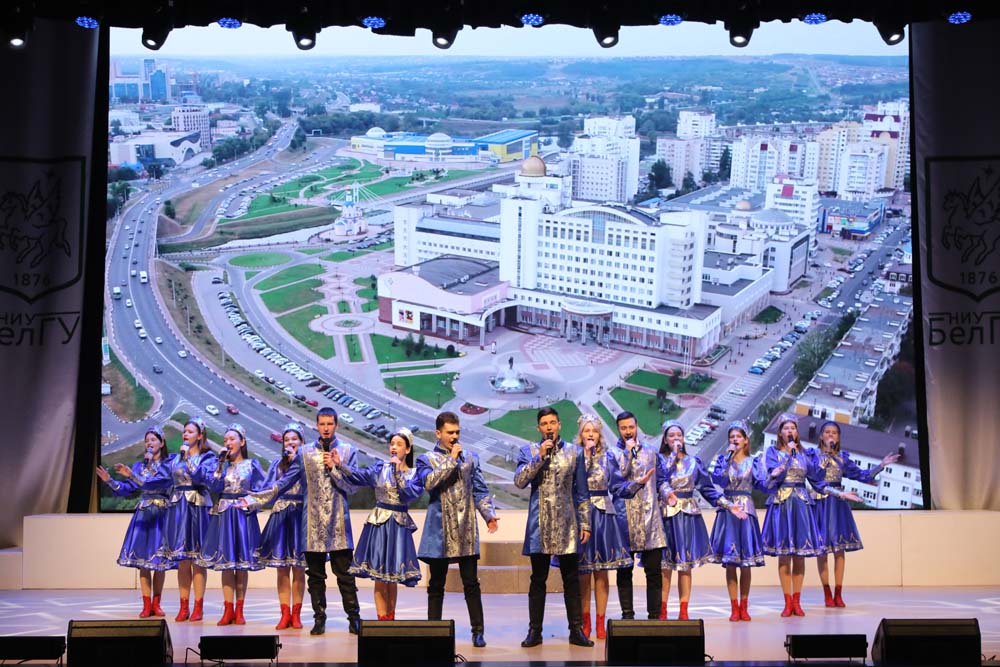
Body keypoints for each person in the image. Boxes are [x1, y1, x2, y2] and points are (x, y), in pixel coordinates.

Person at [243, 407, 362, 635]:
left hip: (338, 522)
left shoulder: (347, 451)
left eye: (330, 424)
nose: (326, 428)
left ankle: (354, 618)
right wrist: (255, 499)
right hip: (312, 523)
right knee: (315, 576)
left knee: (345, 574)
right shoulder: (305, 453)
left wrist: (336, 467)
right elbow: (284, 482)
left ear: (336, 425)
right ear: (316, 426)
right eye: (322, 424)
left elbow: (353, 487)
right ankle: (319, 619)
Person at [762, 415, 861, 617]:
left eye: (793, 428)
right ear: (780, 432)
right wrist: (784, 462)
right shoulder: (773, 452)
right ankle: (787, 602)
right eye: (786, 428)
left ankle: (797, 602)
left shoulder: (804, 454)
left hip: (801, 505)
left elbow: (818, 483)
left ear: (797, 433)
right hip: (782, 504)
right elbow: (768, 481)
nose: (790, 431)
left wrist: (840, 494)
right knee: (784, 555)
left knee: (800, 555)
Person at [416, 411, 498, 648]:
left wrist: (488, 515)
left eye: (457, 432)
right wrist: (451, 460)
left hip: (465, 529)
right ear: (438, 433)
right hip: (439, 532)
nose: (454, 437)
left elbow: (480, 490)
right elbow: (429, 483)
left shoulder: (470, 458)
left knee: (471, 583)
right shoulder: (426, 459)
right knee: (436, 585)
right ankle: (434, 632)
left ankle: (478, 631)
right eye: (449, 432)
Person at [514, 406, 592, 648]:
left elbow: (582, 491)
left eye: (552, 422)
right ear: (539, 428)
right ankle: (534, 631)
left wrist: (585, 523)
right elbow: (519, 481)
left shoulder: (575, 452)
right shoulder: (528, 451)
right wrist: (539, 457)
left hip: (567, 523)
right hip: (539, 524)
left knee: (571, 578)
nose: (549, 427)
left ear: (559, 425)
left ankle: (576, 630)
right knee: (538, 579)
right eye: (544, 423)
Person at [811, 420, 900, 608]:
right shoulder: (813, 456)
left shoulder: (842, 458)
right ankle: (827, 592)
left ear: (838, 437)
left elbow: (862, 475)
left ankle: (838, 593)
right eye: (827, 432)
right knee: (822, 551)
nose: (831, 435)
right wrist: (826, 456)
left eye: (834, 433)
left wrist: (881, 465)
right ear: (821, 436)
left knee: (839, 550)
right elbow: (815, 478)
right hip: (820, 504)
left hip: (838, 505)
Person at [339, 427, 424, 620]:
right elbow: (358, 476)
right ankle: (381, 620)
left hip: (398, 527)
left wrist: (397, 473)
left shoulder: (414, 475)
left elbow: (409, 495)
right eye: (392, 444)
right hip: (379, 526)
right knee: (379, 576)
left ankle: (390, 619)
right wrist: (340, 465)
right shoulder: (380, 469)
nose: (394, 447)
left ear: (407, 449)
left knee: (392, 578)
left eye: (399, 444)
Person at [658, 420, 735, 620]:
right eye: (672, 436)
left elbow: (707, 489)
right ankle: (662, 611)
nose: (676, 439)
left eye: (679, 435)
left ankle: (683, 611)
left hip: (687, 518)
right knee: (664, 567)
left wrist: (726, 504)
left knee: (685, 565)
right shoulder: (660, 461)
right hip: (666, 517)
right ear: (665, 440)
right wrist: (672, 457)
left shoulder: (694, 462)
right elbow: (660, 480)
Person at [96, 425, 175, 618]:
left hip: (162, 514)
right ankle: (146, 605)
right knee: (143, 561)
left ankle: (157, 603)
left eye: (153, 440)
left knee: (159, 562)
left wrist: (134, 474)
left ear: (162, 443)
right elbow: (127, 489)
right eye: (146, 441)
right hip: (144, 514)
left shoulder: (169, 464)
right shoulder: (140, 467)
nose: (149, 443)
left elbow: (158, 482)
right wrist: (110, 481)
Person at [199, 423, 265, 625]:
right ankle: (228, 610)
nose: (228, 443)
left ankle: (240, 610)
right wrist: (220, 464)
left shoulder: (252, 465)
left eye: (232, 439)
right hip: (225, 515)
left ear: (242, 442)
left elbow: (262, 490)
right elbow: (213, 486)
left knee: (242, 565)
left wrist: (251, 503)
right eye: (225, 440)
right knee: (227, 564)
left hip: (243, 516)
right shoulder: (220, 466)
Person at [607, 411, 670, 623]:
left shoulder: (651, 452)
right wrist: (627, 455)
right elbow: (615, 486)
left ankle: (654, 618)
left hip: (650, 518)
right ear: (618, 429)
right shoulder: (613, 454)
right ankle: (628, 618)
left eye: (631, 427)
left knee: (654, 572)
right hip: (624, 520)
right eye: (623, 428)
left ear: (636, 427)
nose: (628, 432)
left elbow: (661, 480)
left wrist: (668, 493)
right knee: (625, 571)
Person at [574, 414, 631, 640]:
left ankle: (600, 622)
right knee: (583, 573)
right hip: (582, 515)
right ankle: (585, 621)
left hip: (603, 516)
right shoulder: (575, 455)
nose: (591, 434)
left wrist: (636, 485)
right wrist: (586, 457)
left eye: (594, 431)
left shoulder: (608, 457)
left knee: (601, 571)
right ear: (581, 434)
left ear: (600, 434)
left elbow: (617, 485)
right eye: (587, 430)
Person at [709, 420, 766, 622]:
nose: (735, 440)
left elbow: (762, 484)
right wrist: (727, 460)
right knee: (731, 562)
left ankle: (744, 605)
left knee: (746, 563)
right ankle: (734, 607)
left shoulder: (753, 462)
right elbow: (719, 481)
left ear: (745, 440)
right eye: (732, 437)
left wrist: (776, 476)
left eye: (738, 437)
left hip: (746, 511)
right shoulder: (723, 460)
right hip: (728, 510)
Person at [161, 416, 216, 622]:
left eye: (190, 431)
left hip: (197, 508)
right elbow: (164, 479)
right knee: (183, 560)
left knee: (197, 559)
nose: (185, 434)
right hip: (179, 508)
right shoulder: (175, 458)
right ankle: (183, 605)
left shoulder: (207, 457)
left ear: (200, 436)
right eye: (184, 431)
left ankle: (198, 606)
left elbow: (203, 479)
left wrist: (187, 461)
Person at [256, 422, 308, 630]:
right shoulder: (277, 464)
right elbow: (268, 488)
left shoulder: (307, 463)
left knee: (299, 568)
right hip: (281, 516)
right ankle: (284, 613)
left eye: (294, 439)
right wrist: (252, 501)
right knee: (282, 568)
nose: (290, 443)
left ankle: (297, 614)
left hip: (300, 516)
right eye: (287, 440)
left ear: (302, 442)